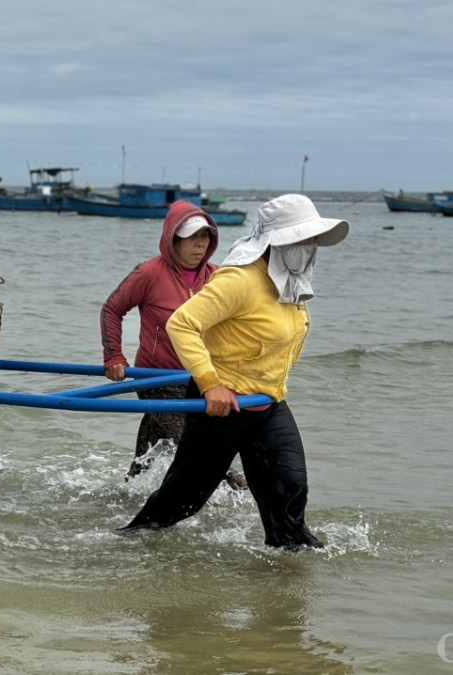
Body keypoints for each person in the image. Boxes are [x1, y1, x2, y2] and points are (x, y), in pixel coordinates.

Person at [122, 194, 349, 551]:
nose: (310, 247)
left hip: (267, 402)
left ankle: (290, 560)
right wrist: (210, 384)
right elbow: (182, 324)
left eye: (313, 239)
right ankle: (126, 543)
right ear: (278, 241)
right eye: (302, 239)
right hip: (222, 409)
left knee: (290, 487)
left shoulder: (290, 283)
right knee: (183, 500)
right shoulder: (240, 281)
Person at [101, 201, 248, 488]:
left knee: (151, 452)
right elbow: (112, 309)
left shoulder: (217, 277)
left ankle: (128, 493)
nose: (199, 245)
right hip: (155, 377)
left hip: (201, 377)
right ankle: (236, 490)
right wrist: (114, 355)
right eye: (192, 238)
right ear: (173, 240)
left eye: (205, 237)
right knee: (198, 447)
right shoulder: (149, 273)